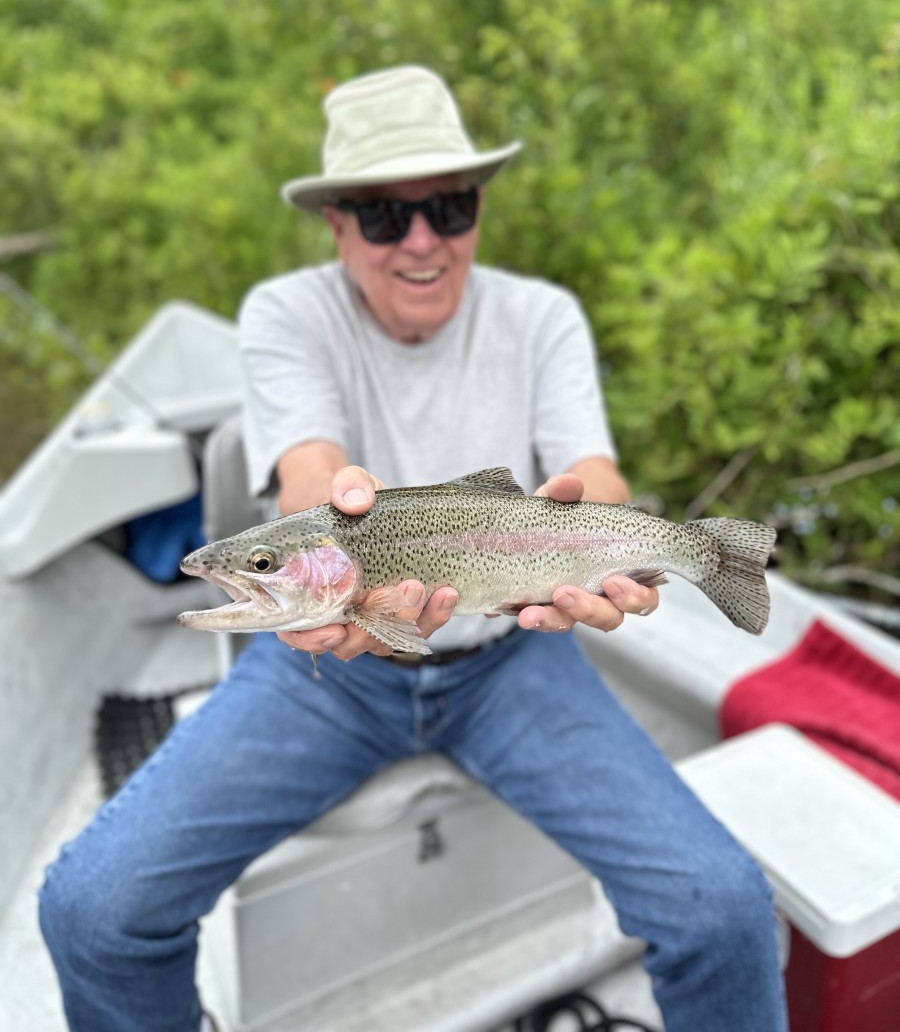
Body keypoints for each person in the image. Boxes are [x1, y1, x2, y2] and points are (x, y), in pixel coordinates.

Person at [39, 65, 787, 1031]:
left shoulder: (541, 316)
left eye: (449, 205)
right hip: (326, 677)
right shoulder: (286, 314)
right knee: (91, 910)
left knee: (723, 910)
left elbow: (592, 478)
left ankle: (704, 559)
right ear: (337, 225)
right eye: (387, 218)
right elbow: (309, 480)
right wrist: (332, 516)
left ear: (477, 207)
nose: (424, 239)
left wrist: (615, 542)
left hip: (518, 661)